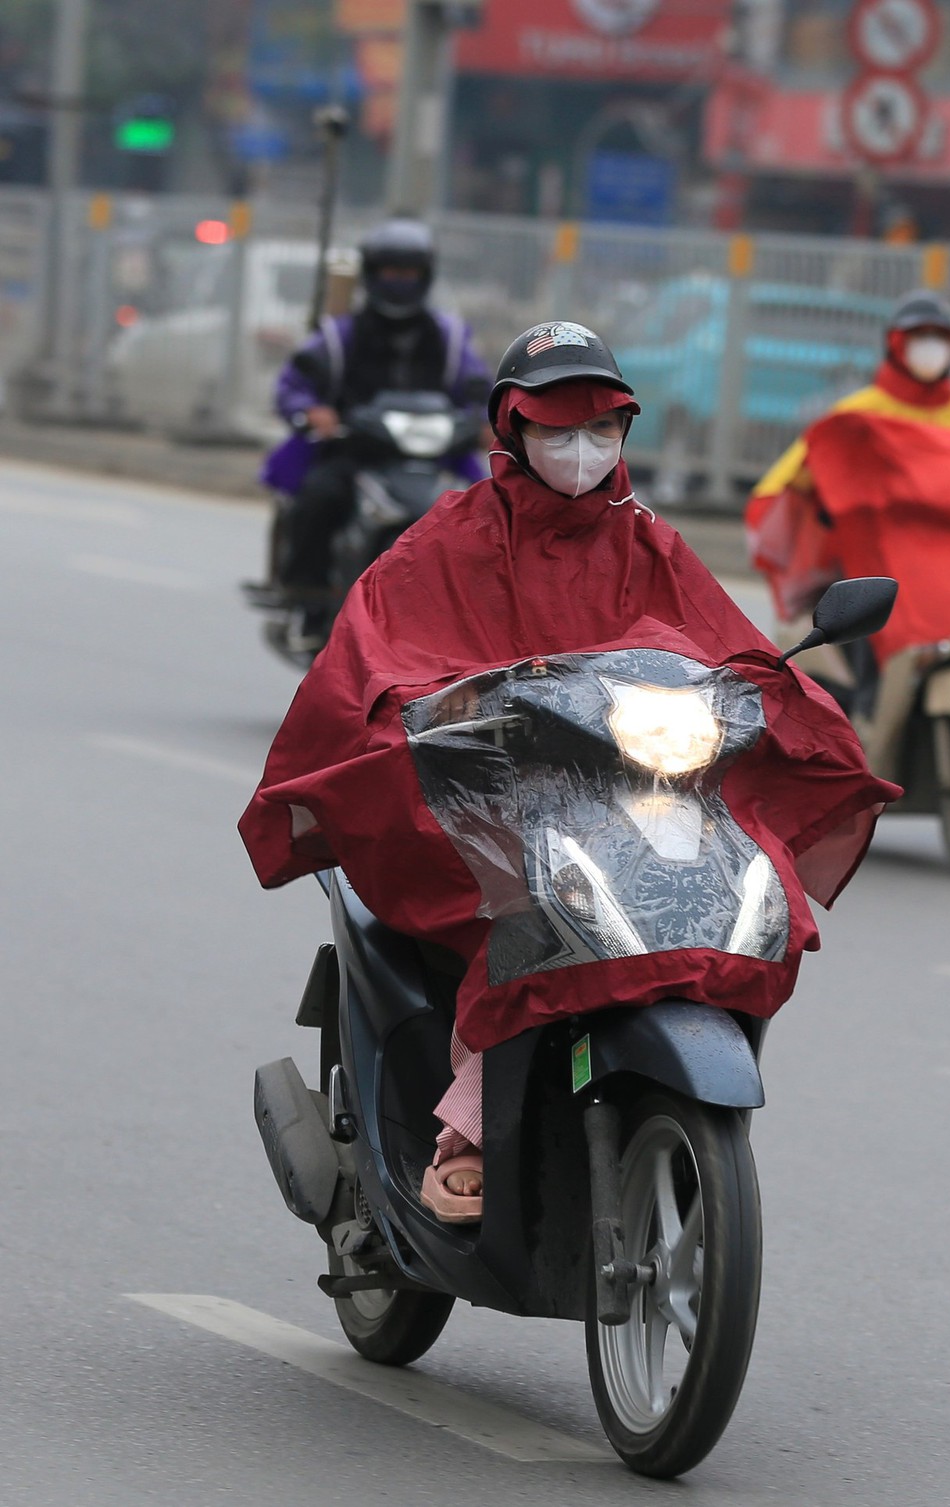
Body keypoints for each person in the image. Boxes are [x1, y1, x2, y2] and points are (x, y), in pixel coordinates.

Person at [241, 321, 895, 1224]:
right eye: (555, 428)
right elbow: (378, 651)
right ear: (511, 431)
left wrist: (780, 696)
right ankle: (467, 1121)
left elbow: (727, 647)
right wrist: (441, 709)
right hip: (496, 796)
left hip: (629, 786)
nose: (580, 449)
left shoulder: (648, 541)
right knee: (527, 908)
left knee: (740, 895)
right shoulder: (448, 539)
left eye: (600, 427)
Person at [745, 291, 950, 693]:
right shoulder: (854, 418)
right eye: (918, 336)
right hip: (874, 569)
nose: (929, 347)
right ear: (894, 343)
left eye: (939, 336)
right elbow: (791, 482)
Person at [263, 219, 490, 616]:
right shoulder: (338, 337)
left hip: (433, 457)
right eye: (391, 272)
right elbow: (294, 384)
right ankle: (308, 596)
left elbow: (480, 390)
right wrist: (312, 412)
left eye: (409, 273)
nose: (400, 281)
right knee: (318, 497)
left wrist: (490, 421)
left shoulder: (450, 338)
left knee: (491, 516)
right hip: (355, 455)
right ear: (372, 275)